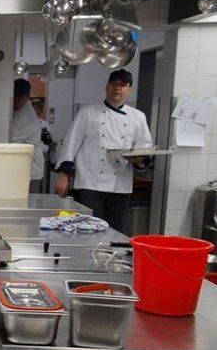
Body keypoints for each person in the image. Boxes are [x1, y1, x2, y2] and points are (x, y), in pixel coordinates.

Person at [54, 69, 153, 234]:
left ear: (129, 89)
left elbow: (145, 148)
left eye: (123, 85)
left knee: (115, 231)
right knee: (87, 230)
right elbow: (71, 143)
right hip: (90, 183)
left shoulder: (138, 117)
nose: (117, 88)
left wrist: (139, 159)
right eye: (114, 84)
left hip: (120, 185)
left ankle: (109, 258)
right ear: (106, 87)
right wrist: (64, 175)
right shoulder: (87, 112)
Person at [11, 78, 48, 192]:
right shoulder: (19, 111)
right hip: (20, 168)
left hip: (30, 173)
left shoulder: (27, 118)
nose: (14, 105)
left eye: (17, 102)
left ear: (27, 97)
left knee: (27, 206)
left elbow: (9, 139)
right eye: (13, 101)